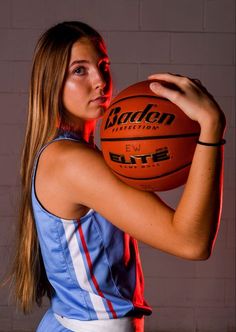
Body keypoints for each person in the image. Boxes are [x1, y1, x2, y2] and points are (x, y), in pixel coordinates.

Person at [11, 21, 226, 332]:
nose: (100, 80)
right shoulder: (71, 162)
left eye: (103, 65)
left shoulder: (69, 155)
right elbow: (192, 242)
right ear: (51, 83)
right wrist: (210, 126)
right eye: (80, 71)